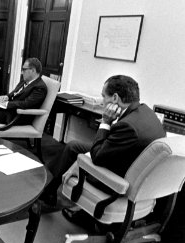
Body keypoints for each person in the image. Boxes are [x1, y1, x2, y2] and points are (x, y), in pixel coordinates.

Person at [41, 75, 166, 218]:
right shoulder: (146, 112)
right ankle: (49, 189)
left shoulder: (128, 126)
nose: (102, 102)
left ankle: (46, 188)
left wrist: (106, 121)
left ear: (115, 98)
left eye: (103, 96)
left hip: (116, 178)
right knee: (73, 147)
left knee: (78, 151)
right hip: (128, 163)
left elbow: (98, 157)